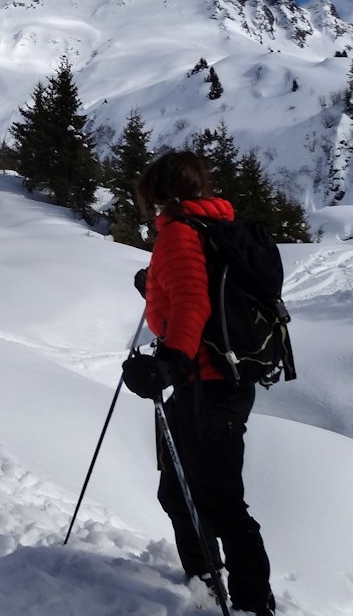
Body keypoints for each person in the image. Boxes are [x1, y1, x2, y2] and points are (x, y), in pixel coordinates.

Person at [122, 150, 275, 616]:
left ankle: (248, 601)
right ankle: (208, 584)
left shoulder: (181, 236)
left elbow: (193, 305)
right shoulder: (212, 225)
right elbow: (192, 289)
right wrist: (154, 285)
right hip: (219, 381)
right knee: (182, 490)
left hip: (205, 383)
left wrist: (169, 362)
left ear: (159, 194)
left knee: (218, 498)